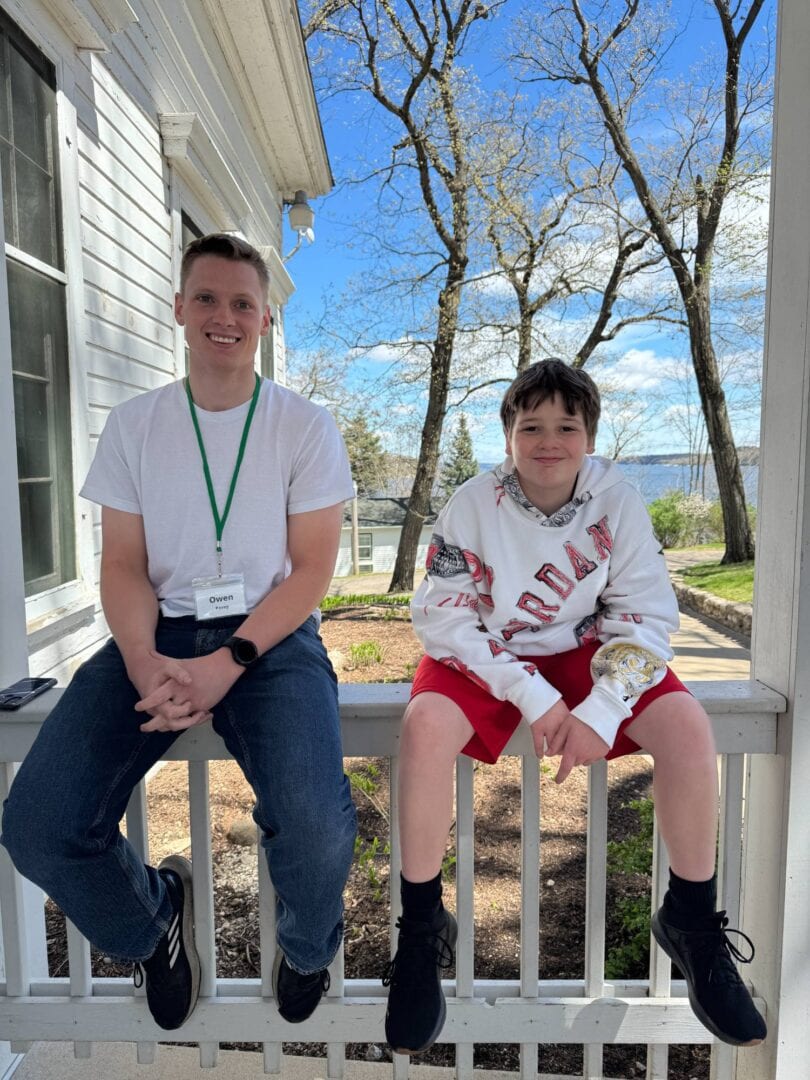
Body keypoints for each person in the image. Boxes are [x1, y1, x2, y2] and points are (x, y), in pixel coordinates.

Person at [2, 234, 357, 1031]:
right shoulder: (135, 425)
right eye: (206, 298)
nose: (223, 317)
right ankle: (154, 921)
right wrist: (141, 658)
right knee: (38, 825)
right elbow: (123, 563)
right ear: (178, 310)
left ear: (265, 318)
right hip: (154, 633)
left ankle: (305, 951)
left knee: (313, 824)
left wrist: (228, 662)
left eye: (241, 303)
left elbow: (308, 572)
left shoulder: (303, 426)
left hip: (270, 640)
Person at [382, 359, 766, 1054]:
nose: (549, 440)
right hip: (490, 650)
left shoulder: (616, 499)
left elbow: (647, 615)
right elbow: (443, 619)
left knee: (685, 723)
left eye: (567, 425)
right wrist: (532, 697)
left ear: (590, 436)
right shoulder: (471, 503)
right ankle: (418, 928)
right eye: (531, 426)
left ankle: (692, 918)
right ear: (508, 436)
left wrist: (599, 709)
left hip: (585, 648)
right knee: (424, 724)